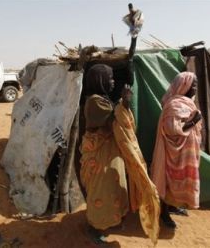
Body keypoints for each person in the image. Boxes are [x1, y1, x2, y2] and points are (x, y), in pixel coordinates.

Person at [80, 64, 160, 245]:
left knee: (113, 188)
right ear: (100, 80)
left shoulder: (103, 99)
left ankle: (110, 220)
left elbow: (119, 120)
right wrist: (124, 103)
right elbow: (114, 120)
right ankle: (94, 226)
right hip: (98, 155)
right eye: (110, 78)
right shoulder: (94, 101)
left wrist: (123, 104)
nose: (113, 81)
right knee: (101, 189)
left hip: (109, 152)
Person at [151, 72, 202, 229]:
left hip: (186, 152)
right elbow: (171, 128)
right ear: (184, 86)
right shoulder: (174, 105)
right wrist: (193, 121)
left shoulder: (188, 103)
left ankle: (173, 206)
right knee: (170, 180)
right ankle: (163, 212)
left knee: (181, 180)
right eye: (193, 85)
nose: (196, 88)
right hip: (173, 153)